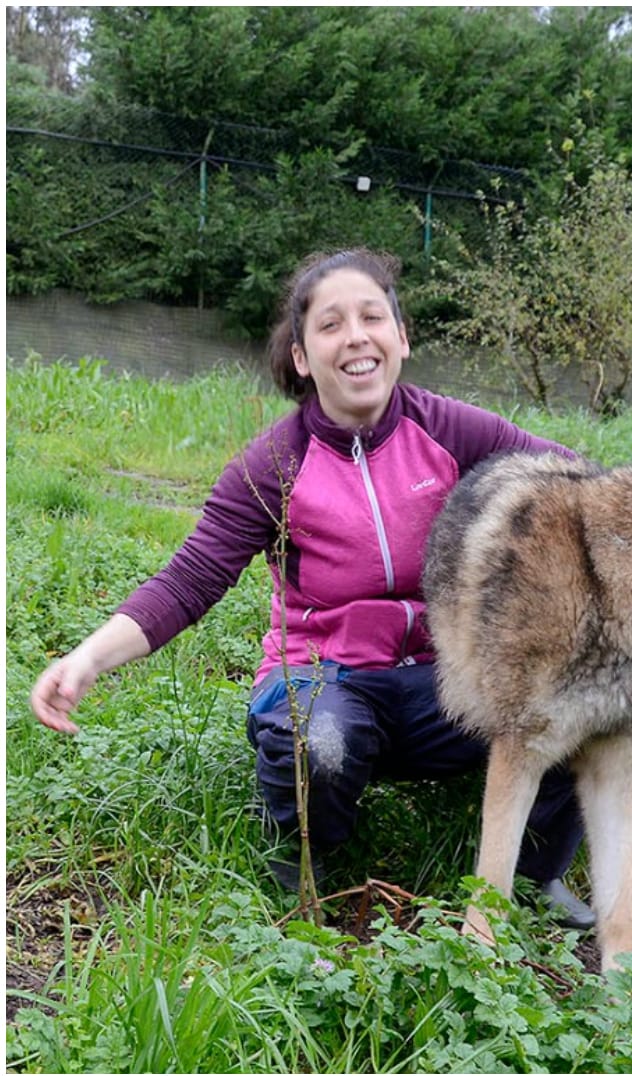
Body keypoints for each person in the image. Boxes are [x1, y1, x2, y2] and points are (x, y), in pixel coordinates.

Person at [29, 248, 595, 927]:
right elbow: (191, 578)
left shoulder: (449, 428)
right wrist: (87, 657)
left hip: (441, 678)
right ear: (301, 357)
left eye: (372, 317)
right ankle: (305, 862)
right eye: (330, 324)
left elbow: (576, 486)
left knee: (571, 704)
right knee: (320, 743)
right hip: (323, 677)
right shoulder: (272, 465)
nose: (355, 336)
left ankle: (535, 872)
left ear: (401, 338)